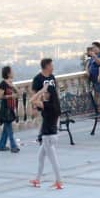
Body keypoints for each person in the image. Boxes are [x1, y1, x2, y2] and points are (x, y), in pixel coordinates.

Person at [29, 58, 63, 189]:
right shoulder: (54, 105)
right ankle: (37, 179)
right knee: (40, 157)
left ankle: (59, 181)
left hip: (48, 135)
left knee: (53, 160)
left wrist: (42, 91)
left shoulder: (47, 105)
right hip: (50, 131)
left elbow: (32, 99)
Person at [0, 66, 20, 153]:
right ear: (8, 73)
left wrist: (13, 86)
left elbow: (18, 93)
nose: (13, 73)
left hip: (10, 108)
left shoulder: (10, 83)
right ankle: (13, 146)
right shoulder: (3, 84)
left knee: (6, 128)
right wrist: (10, 96)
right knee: (9, 129)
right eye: (12, 71)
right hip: (5, 108)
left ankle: (1, 146)